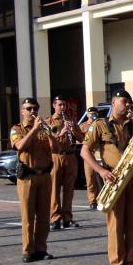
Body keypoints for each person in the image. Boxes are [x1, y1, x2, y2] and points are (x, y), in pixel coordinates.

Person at [81, 89, 133, 265]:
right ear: (113, 102)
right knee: (116, 224)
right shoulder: (100, 125)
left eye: (129, 102)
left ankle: (132, 264)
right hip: (114, 177)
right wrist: (101, 170)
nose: (128, 105)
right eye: (124, 101)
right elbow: (84, 151)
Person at [10, 98, 59, 263]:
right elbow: (20, 146)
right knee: (28, 216)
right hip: (28, 177)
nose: (33, 111)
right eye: (29, 108)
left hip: (44, 176)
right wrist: (34, 129)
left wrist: (50, 134)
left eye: (35, 109)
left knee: (44, 217)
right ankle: (28, 250)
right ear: (23, 111)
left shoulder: (43, 128)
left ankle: (41, 248)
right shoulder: (17, 129)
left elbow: (57, 149)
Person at [48, 96, 84, 230]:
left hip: (70, 157)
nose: (63, 108)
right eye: (60, 105)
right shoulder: (49, 121)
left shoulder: (71, 120)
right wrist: (61, 133)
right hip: (56, 156)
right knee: (55, 189)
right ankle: (55, 218)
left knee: (69, 189)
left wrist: (73, 131)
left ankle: (68, 218)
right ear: (54, 105)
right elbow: (47, 142)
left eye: (64, 105)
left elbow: (82, 138)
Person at [79, 106, 102, 210]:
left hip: (100, 154)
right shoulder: (83, 126)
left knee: (102, 177)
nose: (92, 115)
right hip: (88, 154)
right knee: (90, 178)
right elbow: (78, 139)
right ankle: (92, 200)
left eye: (94, 113)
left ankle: (102, 198)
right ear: (87, 114)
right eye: (90, 113)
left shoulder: (101, 124)